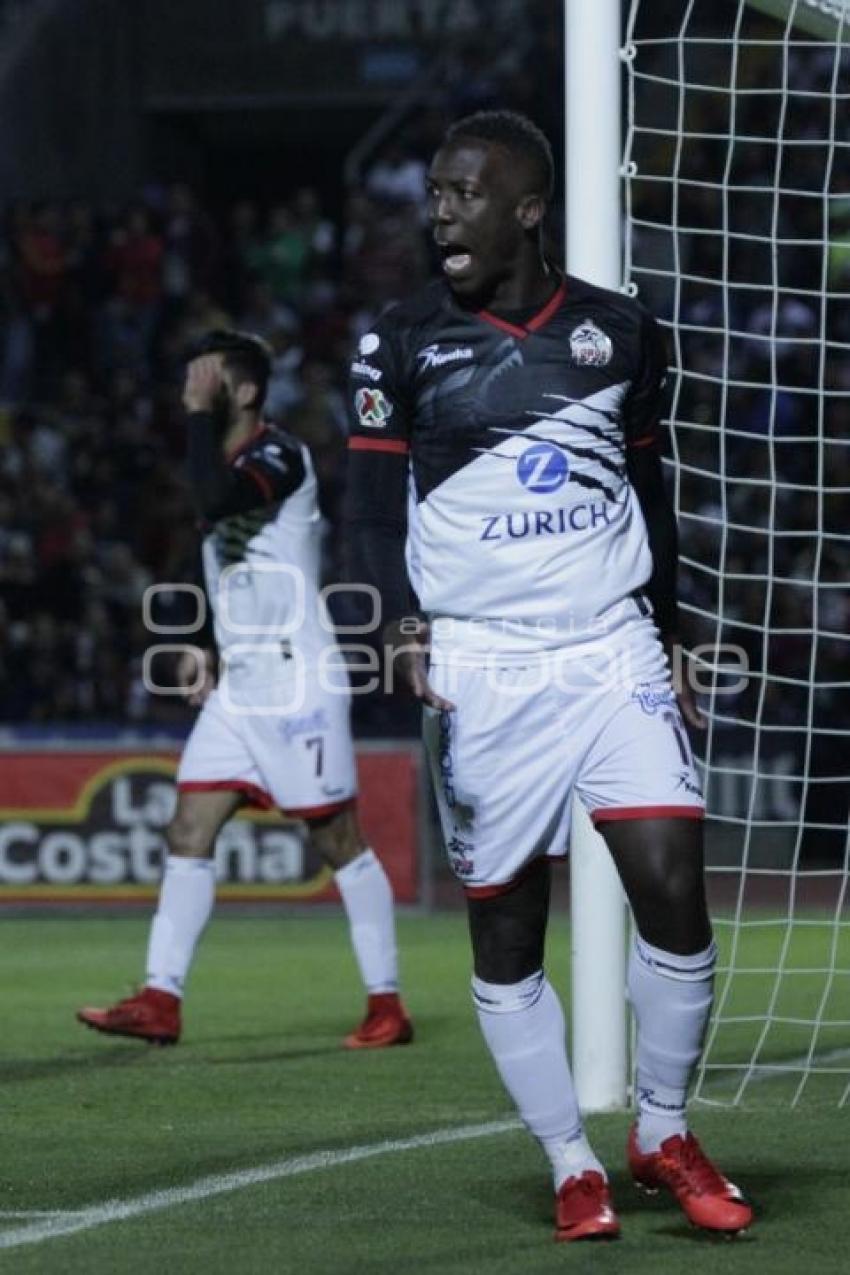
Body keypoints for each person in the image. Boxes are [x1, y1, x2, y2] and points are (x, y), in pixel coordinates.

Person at [344, 110, 752, 1241]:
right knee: (507, 934)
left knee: (673, 884)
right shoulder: (398, 339)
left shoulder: (619, 331)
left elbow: (651, 497)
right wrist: (398, 625)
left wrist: (670, 636)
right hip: (481, 661)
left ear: (527, 207)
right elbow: (372, 511)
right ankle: (570, 1159)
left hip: (609, 643)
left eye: (464, 194)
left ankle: (662, 1129)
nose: (440, 213)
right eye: (433, 194)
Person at [77, 329, 412, 1051]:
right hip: (241, 684)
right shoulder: (216, 461)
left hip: (298, 681)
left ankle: (387, 1003)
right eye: (191, 375)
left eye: (210, 377)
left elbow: (212, 495)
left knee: (339, 840)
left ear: (246, 391)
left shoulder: (277, 454)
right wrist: (204, 643)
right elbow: (211, 551)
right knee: (187, 829)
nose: (193, 386)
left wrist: (197, 413)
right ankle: (161, 997)